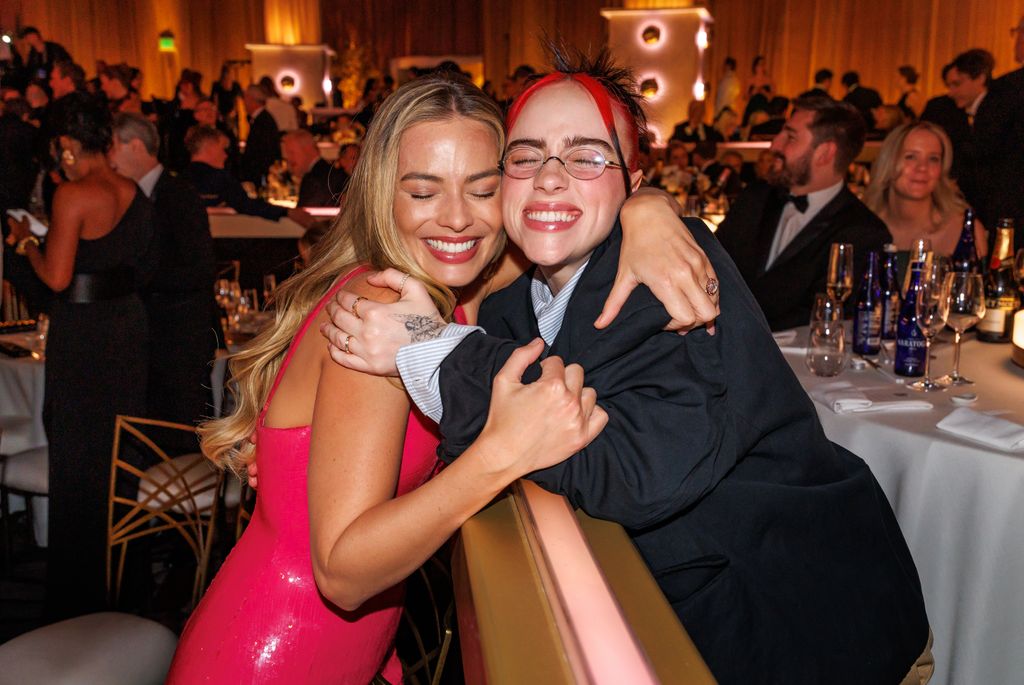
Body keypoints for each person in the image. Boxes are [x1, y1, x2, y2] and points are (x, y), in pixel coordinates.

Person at [322, 48, 932, 685]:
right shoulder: (508, 301)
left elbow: (636, 471)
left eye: (586, 156)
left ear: (631, 183)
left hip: (811, 633)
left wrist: (430, 347)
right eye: (527, 156)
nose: (551, 177)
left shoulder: (676, 278)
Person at [166, 71, 719, 683]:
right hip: (273, 652)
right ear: (384, 196)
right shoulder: (380, 311)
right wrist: (500, 455)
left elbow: (577, 215)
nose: (457, 220)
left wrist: (650, 208)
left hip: (356, 650)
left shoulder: (467, 285)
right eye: (423, 192)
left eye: (481, 191)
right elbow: (343, 573)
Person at [5, 97, 154, 619]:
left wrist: (25, 244)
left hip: (85, 338)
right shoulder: (130, 190)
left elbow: (57, 278)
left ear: (66, 144)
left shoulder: (72, 194)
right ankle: (122, 588)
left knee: (77, 463)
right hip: (127, 331)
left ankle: (78, 604)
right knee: (117, 460)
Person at [715, 95, 891, 330]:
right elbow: (712, 263)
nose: (774, 145)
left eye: (790, 137)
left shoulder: (864, 234)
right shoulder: (755, 198)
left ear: (825, 153)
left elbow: (821, 318)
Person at [109, 113, 216, 429]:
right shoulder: (129, 194)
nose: (108, 157)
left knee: (182, 429)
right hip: (153, 335)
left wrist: (134, 278)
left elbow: (200, 268)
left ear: (136, 146)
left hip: (181, 337)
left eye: (113, 147)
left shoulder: (178, 193)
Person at [183, 124, 312, 226]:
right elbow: (246, 205)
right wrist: (287, 212)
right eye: (223, 149)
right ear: (209, 147)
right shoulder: (221, 179)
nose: (226, 155)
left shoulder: (181, 180)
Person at [281, 128, 340, 207]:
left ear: (308, 149)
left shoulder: (314, 178)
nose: (289, 159)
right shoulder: (329, 172)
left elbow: (305, 215)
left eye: (291, 153)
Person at [239, 84, 280, 184]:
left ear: (250, 99)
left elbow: (262, 152)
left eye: (245, 98)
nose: (243, 102)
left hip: (259, 175)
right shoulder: (262, 118)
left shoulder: (263, 121)